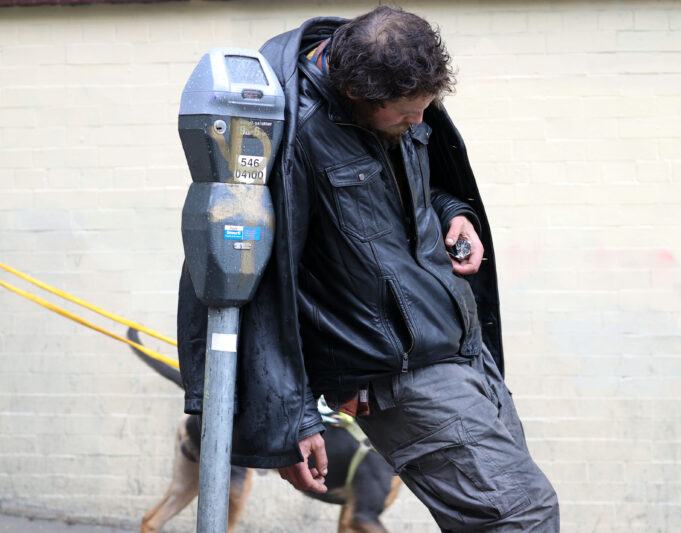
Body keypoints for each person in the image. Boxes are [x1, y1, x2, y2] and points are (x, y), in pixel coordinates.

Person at [177, 6, 559, 531]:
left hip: (464, 353)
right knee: (521, 516)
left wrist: (455, 214)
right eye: (405, 113)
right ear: (355, 93)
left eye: (426, 108)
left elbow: (415, 194)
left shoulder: (397, 98)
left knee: (512, 512)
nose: (420, 122)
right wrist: (289, 419)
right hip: (400, 376)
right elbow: (258, 284)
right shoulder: (290, 133)